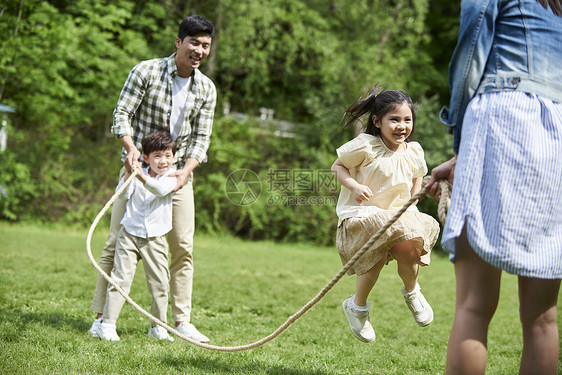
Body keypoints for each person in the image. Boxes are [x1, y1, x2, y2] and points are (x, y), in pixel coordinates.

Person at [425, 1, 562, 373]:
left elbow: (471, 51)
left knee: (473, 305)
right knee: (543, 317)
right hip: (557, 138)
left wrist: (461, 146)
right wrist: (460, 162)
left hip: (504, 117)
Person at [89, 15, 216, 343]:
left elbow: (202, 140)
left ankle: (178, 321)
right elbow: (121, 114)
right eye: (194, 43)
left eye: (205, 45)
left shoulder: (206, 88)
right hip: (136, 175)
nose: (199, 50)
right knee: (115, 242)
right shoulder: (146, 71)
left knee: (183, 248)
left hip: (178, 179)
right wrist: (130, 149)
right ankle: (101, 318)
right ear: (179, 42)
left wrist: (183, 174)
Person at [331, 85, 440, 343]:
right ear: (377, 122)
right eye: (394, 119)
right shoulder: (366, 146)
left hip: (397, 216)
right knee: (376, 258)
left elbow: (417, 178)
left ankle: (412, 292)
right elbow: (338, 167)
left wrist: (413, 204)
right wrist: (355, 186)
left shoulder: (414, 151)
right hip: (363, 215)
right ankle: (357, 307)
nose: (402, 125)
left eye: (407, 119)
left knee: (410, 249)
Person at [96, 130, 177, 342]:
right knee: (120, 279)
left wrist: (139, 175)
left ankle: (158, 327)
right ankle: (108, 324)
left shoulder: (172, 178)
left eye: (168, 156)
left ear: (174, 158)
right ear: (146, 157)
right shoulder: (135, 174)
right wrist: (128, 174)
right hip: (129, 234)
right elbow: (122, 195)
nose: (163, 161)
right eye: (157, 156)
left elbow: (159, 190)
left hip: (155, 239)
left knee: (160, 284)